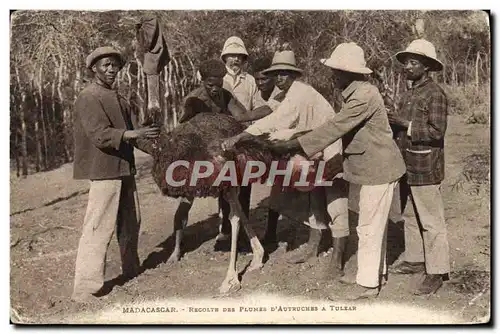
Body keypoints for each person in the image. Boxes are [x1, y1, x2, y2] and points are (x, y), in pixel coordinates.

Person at [269, 43, 406, 299]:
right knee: (374, 225)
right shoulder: (357, 93)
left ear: (348, 73)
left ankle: (366, 285)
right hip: (373, 166)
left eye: (336, 71)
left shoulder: (364, 95)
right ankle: (377, 274)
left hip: (379, 167)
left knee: (367, 227)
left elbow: (335, 127)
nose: (332, 76)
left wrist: (293, 144)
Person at [222, 50, 347, 267]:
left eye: (285, 74)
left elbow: (277, 119)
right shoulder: (284, 95)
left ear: (294, 75)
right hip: (312, 145)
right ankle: (315, 243)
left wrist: (241, 135)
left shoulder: (299, 92)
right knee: (314, 196)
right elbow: (269, 113)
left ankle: (338, 257)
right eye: (277, 74)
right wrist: (242, 123)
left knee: (334, 199)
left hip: (330, 144)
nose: (280, 78)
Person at [72, 46, 160, 302]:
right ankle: (85, 287)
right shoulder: (88, 96)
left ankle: (131, 268)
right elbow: (100, 134)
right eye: (105, 65)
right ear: (94, 69)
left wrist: (157, 141)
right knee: (98, 226)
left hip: (124, 167)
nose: (111, 70)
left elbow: (135, 135)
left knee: (131, 222)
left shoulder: (120, 99)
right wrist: (133, 134)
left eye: (114, 65)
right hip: (103, 170)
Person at [387, 39, 450, 295]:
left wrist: (405, 124)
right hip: (407, 163)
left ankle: (437, 271)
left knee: (431, 220)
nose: (407, 67)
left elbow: (437, 132)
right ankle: (415, 259)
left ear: (426, 66)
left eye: (413, 62)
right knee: (411, 215)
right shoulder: (410, 93)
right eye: (406, 62)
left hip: (425, 164)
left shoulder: (435, 94)